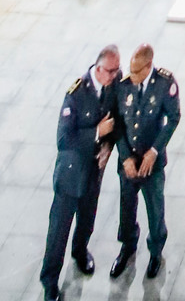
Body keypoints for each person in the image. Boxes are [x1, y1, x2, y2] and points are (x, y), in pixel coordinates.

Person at [39, 42, 121, 300]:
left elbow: (116, 119)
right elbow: (64, 140)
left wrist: (108, 145)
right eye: (110, 71)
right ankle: (50, 282)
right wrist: (97, 133)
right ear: (97, 69)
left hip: (93, 171)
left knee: (87, 220)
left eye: (117, 70)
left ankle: (80, 252)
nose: (115, 75)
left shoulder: (112, 87)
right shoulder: (75, 94)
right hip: (70, 174)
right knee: (59, 231)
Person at [110, 40, 182, 280]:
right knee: (126, 207)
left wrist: (154, 151)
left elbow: (173, 118)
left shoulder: (164, 84)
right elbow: (117, 122)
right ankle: (127, 246)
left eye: (137, 72)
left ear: (149, 65)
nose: (132, 76)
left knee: (154, 208)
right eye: (130, 70)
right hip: (129, 161)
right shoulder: (123, 85)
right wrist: (125, 157)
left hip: (152, 163)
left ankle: (155, 252)